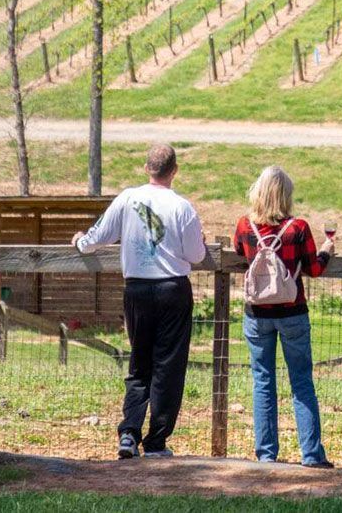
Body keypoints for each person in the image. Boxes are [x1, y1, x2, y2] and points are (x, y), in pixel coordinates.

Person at [72, 143, 207, 460]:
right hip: (173, 289)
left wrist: (80, 240)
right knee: (168, 367)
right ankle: (157, 441)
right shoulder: (182, 207)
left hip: (136, 290)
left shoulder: (127, 198)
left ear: (147, 168)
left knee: (139, 363)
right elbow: (197, 255)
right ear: (174, 171)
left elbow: (96, 238)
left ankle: (129, 434)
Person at [233, 165, 335, 468]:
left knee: (263, 381)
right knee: (301, 382)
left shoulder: (244, 225)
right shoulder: (298, 228)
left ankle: (266, 455)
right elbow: (313, 269)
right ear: (285, 196)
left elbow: (241, 253)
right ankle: (312, 455)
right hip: (292, 312)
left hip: (257, 314)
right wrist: (327, 250)